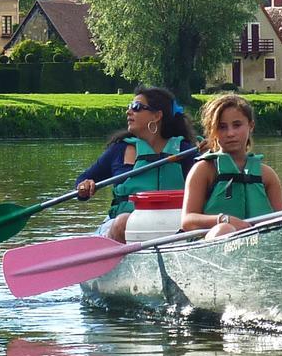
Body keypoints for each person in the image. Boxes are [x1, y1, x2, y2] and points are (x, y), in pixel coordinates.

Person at [76, 87, 199, 243]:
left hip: (171, 223)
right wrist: (85, 185)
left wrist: (210, 157)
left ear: (157, 116)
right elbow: (84, 179)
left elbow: (209, 185)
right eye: (129, 106)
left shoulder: (184, 151)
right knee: (123, 222)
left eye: (136, 107)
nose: (129, 112)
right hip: (120, 227)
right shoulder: (118, 149)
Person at [181, 94, 282, 239]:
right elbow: (187, 221)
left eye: (237, 125)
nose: (230, 133)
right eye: (222, 127)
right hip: (211, 247)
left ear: (251, 126)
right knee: (224, 230)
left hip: (258, 249)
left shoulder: (267, 175)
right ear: (213, 131)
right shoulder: (203, 170)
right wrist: (224, 220)